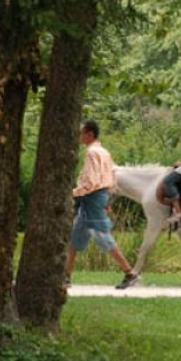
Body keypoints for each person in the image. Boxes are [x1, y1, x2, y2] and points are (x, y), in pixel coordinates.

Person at [65, 120, 139, 290]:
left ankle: (130, 273)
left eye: (80, 133)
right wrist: (107, 199)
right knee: (74, 239)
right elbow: (112, 176)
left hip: (91, 198)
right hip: (97, 198)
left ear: (89, 134)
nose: (78, 136)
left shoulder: (92, 153)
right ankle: (65, 276)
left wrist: (73, 192)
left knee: (103, 236)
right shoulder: (104, 152)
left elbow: (91, 181)